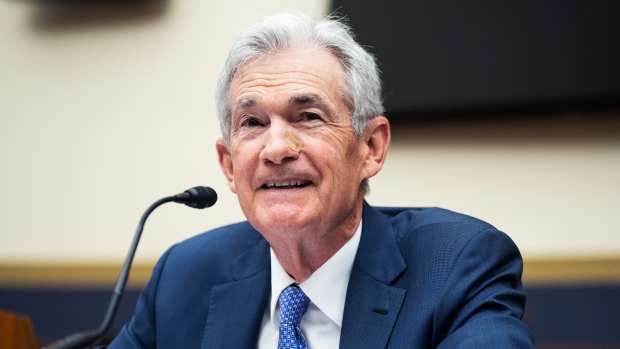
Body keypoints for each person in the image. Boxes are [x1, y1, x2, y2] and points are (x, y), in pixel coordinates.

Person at [108, 13, 535, 349]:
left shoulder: (456, 265)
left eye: (308, 117)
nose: (276, 149)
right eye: (253, 122)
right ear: (228, 165)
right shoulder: (185, 277)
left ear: (371, 147)